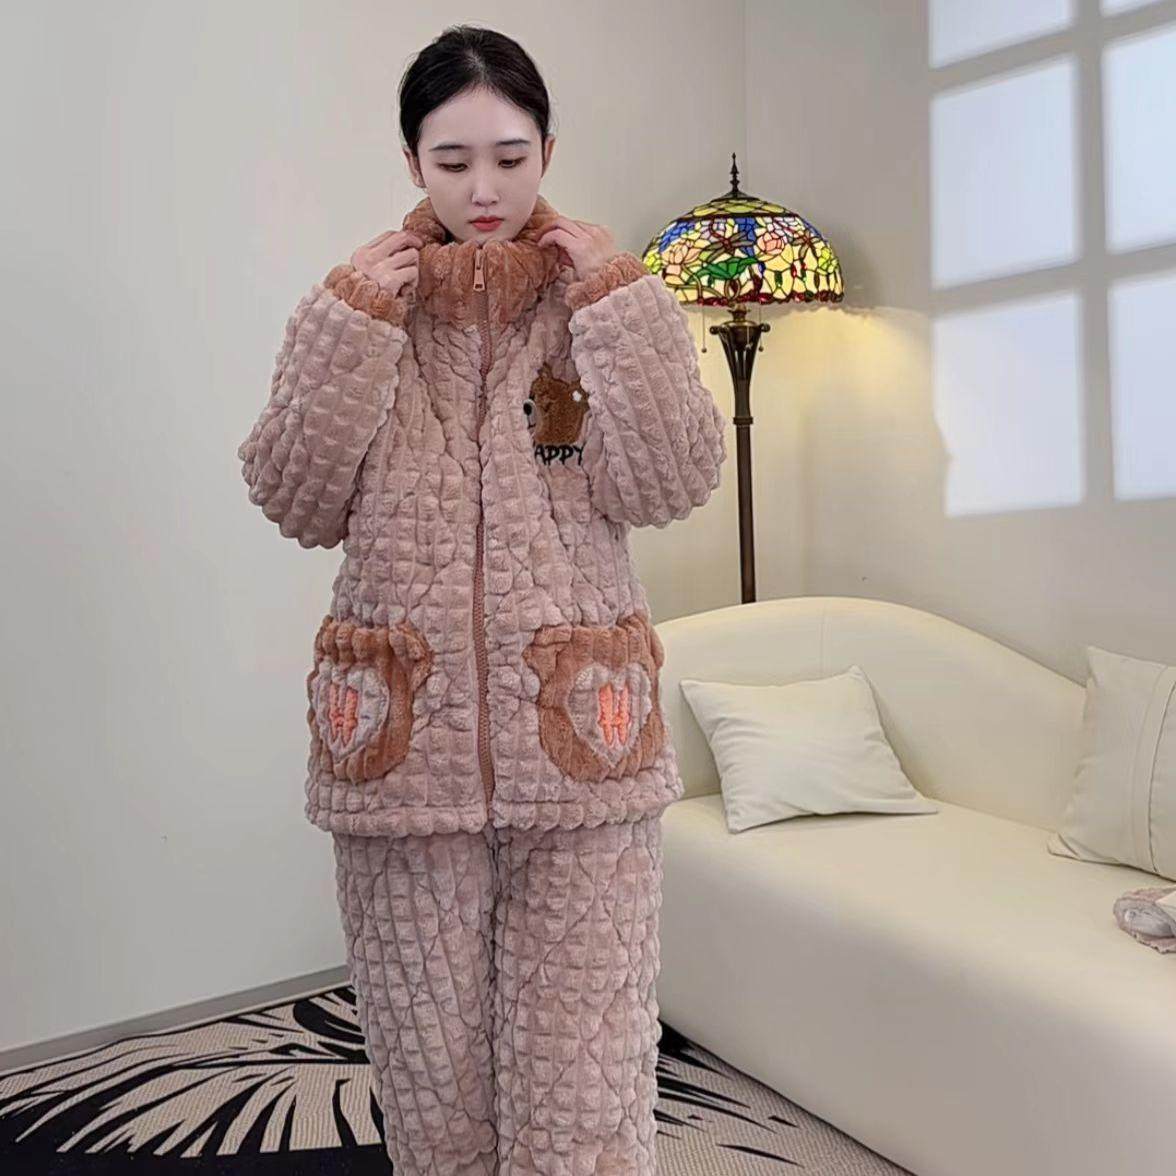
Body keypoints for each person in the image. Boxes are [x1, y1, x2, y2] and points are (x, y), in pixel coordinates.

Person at [237, 23, 727, 1175]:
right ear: (413, 160)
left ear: (548, 149)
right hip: (403, 746)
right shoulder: (363, 311)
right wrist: (347, 326)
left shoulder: (592, 308)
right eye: (452, 160)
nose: (485, 188)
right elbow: (296, 497)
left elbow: (670, 482)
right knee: (431, 1066)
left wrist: (622, 303)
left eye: (509, 156)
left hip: (585, 738)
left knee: (586, 1066)